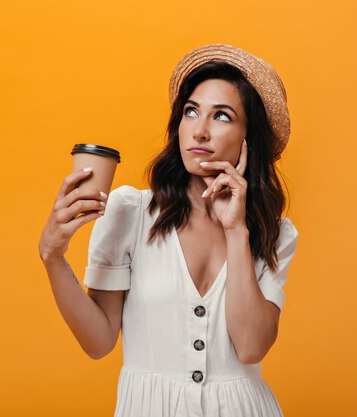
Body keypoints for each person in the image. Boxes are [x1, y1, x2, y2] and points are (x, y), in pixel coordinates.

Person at [39, 44, 299, 417]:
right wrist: (53, 257)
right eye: (191, 112)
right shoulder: (131, 213)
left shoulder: (274, 233)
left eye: (222, 116)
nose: (201, 131)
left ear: (249, 139)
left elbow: (252, 347)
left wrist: (236, 230)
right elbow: (98, 341)